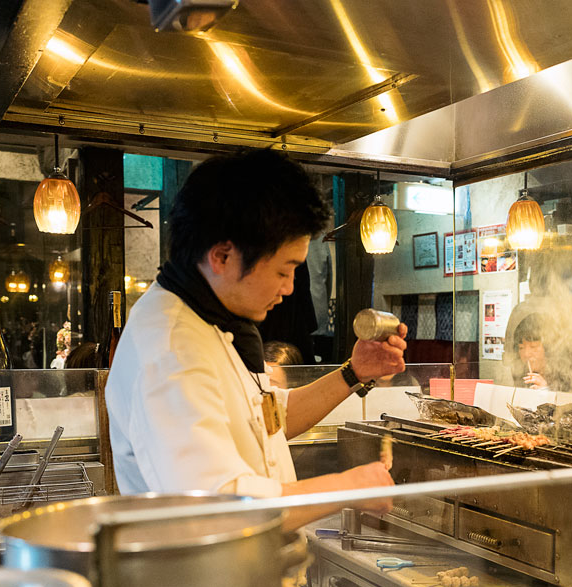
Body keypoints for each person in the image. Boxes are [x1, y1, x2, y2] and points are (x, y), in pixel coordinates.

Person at [106, 150, 405, 499]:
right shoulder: (171, 350)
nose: (290, 288)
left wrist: (354, 372)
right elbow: (217, 503)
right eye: (283, 270)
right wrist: (346, 487)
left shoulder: (212, 321)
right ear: (222, 256)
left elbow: (268, 423)